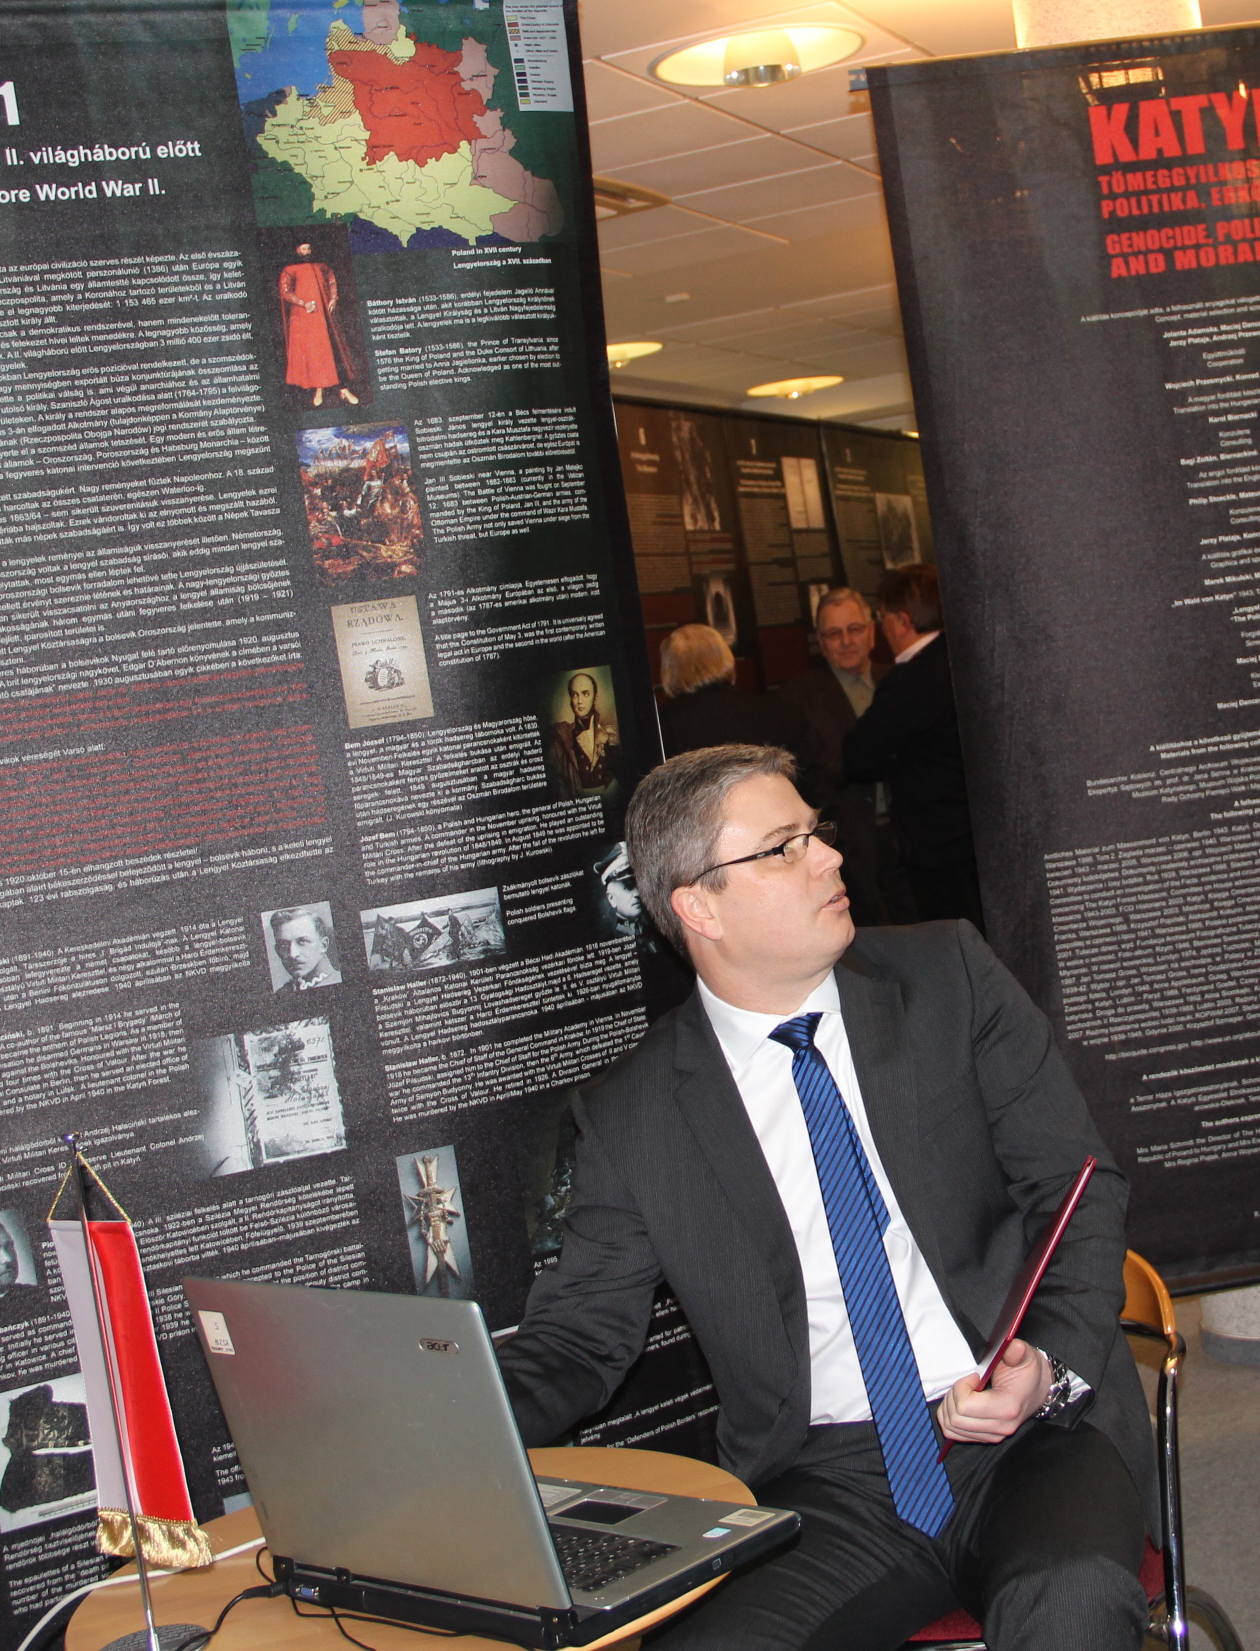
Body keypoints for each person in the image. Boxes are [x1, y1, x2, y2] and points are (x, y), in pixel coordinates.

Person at [495, 745, 1154, 1651]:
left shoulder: (947, 979)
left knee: (1070, 1602)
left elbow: (1075, 1189)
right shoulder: (633, 1115)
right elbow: (580, 1337)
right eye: (783, 847)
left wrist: (1046, 1360)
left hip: (1028, 1432)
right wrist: (441, 1433)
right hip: (827, 1475)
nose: (832, 857)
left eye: (817, 833)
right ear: (698, 907)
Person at [843, 565, 982, 929]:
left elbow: (859, 758)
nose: (883, 629)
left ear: (903, 622)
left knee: (954, 942)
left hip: (939, 844)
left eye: (882, 618)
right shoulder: (965, 658)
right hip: (981, 832)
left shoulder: (911, 679)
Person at [779, 588, 906, 925]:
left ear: (871, 632)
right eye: (834, 633)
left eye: (854, 629)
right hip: (849, 845)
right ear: (821, 643)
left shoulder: (898, 681)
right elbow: (806, 777)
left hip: (911, 835)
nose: (846, 641)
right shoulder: (798, 699)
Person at [655, 624, 821, 799]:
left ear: (669, 670)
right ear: (727, 659)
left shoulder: (661, 726)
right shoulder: (781, 711)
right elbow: (813, 783)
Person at [277, 240, 363, 408]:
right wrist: (303, 303)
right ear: (297, 250)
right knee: (315, 353)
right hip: (306, 318)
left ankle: (343, 389)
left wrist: (333, 298)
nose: (307, 251)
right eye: (303, 248)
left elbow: (331, 281)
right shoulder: (289, 270)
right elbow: (285, 292)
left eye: (309, 248)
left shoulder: (322, 266)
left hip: (326, 316)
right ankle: (319, 389)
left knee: (334, 349)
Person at [546, 670, 621, 796]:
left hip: (608, 795)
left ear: (595, 698)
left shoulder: (607, 732)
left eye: (585, 694)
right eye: (575, 695)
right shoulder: (561, 734)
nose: (580, 701)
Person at [270, 907, 343, 992]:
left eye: (302, 942)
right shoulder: (281, 993)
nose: (293, 954)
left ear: (323, 945)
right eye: (284, 945)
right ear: (277, 950)